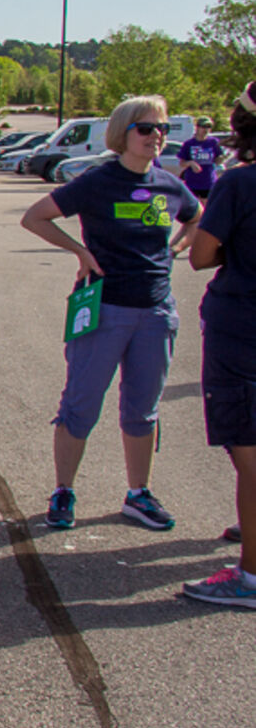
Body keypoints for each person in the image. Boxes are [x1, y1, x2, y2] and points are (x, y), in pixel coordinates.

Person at [20, 95, 201, 532]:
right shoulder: (97, 181)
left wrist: (175, 248)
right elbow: (36, 217)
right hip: (105, 308)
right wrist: (79, 251)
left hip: (156, 312)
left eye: (161, 128)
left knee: (142, 410)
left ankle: (138, 494)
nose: (156, 136)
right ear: (123, 133)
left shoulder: (168, 184)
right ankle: (64, 490)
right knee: (80, 406)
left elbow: (197, 218)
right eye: (146, 128)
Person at [181, 82, 256, 608]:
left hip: (244, 330)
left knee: (249, 452)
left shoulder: (239, 185)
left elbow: (202, 255)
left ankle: (249, 575)